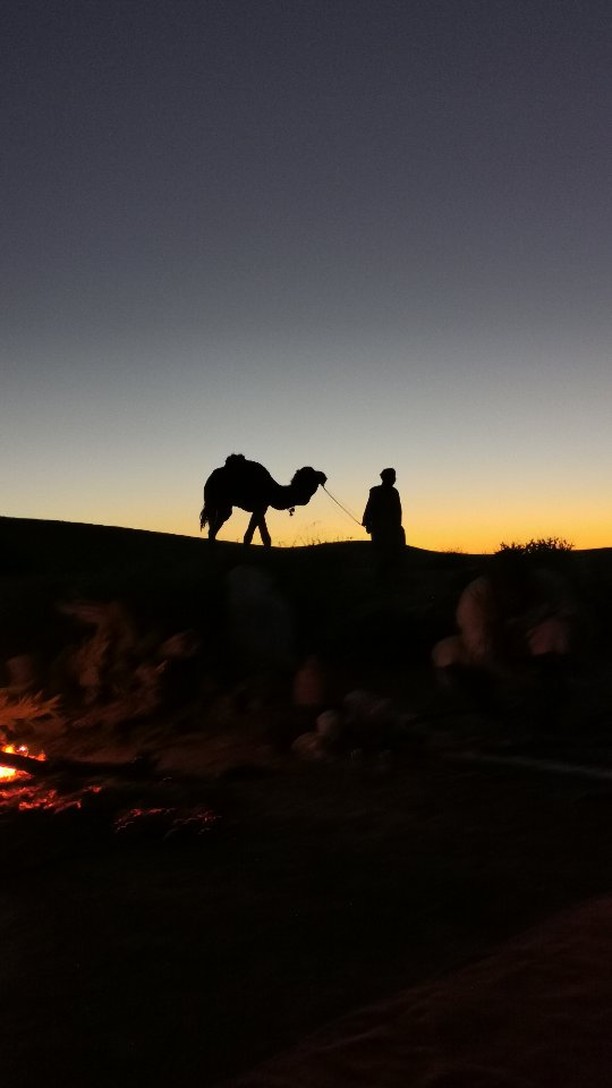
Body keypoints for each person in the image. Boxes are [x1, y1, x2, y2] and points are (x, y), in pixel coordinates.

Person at [362, 468, 405, 570]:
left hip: (392, 528)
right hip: (379, 528)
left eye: (394, 477)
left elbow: (398, 511)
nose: (394, 479)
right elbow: (369, 508)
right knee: (380, 554)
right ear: (385, 478)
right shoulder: (375, 491)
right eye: (392, 477)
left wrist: (397, 526)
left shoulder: (394, 492)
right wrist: (367, 523)